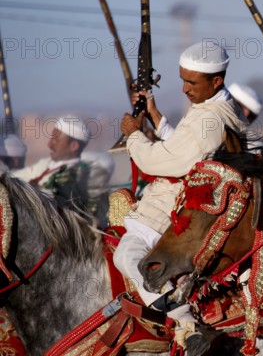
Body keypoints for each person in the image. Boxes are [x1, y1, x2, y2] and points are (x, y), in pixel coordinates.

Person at [114, 40, 247, 352]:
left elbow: (165, 161)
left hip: (182, 210)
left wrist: (133, 134)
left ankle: (186, 325)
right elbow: (186, 149)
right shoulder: (211, 107)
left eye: (191, 82)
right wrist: (156, 116)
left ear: (216, 81)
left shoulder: (210, 117)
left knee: (125, 256)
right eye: (182, 80)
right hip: (184, 201)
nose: (185, 89)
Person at [12, 116, 92, 211]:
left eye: (56, 140)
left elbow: (54, 203)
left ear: (73, 146)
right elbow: (17, 175)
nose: (49, 144)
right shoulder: (45, 164)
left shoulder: (79, 174)